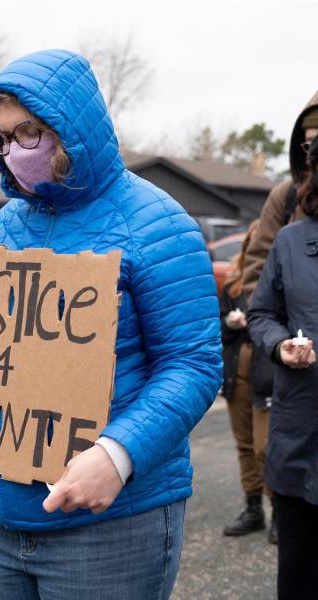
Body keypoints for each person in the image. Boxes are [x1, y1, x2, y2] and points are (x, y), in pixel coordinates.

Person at [0, 49, 222, 600]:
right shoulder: (6, 224)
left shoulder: (158, 224)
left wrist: (118, 455)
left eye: (29, 132)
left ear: (72, 127)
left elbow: (194, 363)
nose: (15, 150)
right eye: (2, 137)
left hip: (108, 525)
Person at [247, 135, 318, 600]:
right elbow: (261, 313)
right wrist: (279, 346)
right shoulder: (290, 242)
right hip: (302, 435)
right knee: (299, 575)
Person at [220, 221, 276, 543]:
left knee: (266, 446)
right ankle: (253, 508)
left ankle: (279, 510)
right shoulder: (234, 287)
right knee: (244, 444)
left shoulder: (280, 280)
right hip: (238, 369)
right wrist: (230, 322)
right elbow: (217, 328)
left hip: (268, 370)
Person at [243, 90, 318, 298]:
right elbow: (256, 270)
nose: (315, 151)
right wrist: (270, 320)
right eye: (310, 143)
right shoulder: (286, 197)